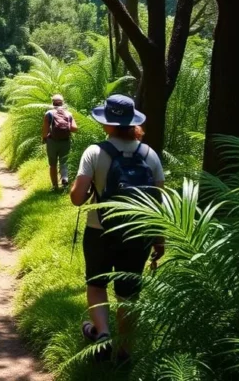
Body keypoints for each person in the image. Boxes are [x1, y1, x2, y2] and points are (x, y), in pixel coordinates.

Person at [70, 94, 165, 363]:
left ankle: (101, 334)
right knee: (128, 294)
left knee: (97, 284)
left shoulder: (94, 152)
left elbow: (77, 198)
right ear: (133, 123)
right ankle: (125, 352)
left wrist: (84, 188)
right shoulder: (150, 155)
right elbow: (157, 203)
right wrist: (159, 240)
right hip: (138, 234)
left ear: (108, 124)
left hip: (99, 231)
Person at [42, 93, 78, 191]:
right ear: (63, 103)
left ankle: (54, 186)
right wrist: (66, 126)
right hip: (65, 142)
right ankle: (65, 180)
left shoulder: (49, 113)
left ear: (52, 103)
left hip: (52, 142)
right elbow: (75, 128)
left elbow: (45, 131)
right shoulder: (68, 114)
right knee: (64, 162)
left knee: (52, 164)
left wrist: (44, 138)